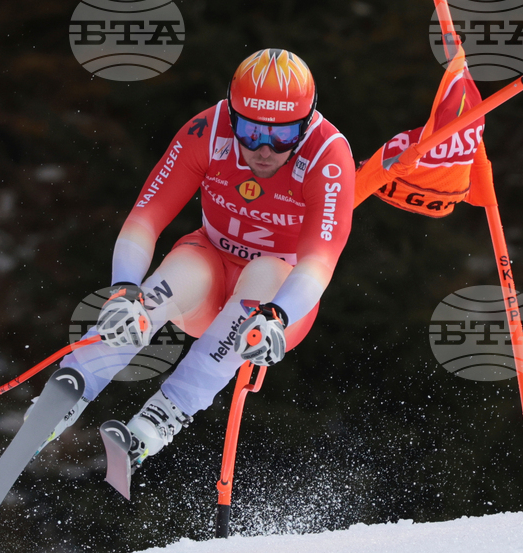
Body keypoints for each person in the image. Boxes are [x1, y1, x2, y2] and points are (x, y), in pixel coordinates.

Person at [32, 48, 355, 471]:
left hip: (275, 306)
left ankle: (163, 417)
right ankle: (68, 390)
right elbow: (144, 219)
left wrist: (278, 314)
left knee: (263, 274)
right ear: (231, 114)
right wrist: (124, 290)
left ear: (308, 121)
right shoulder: (209, 130)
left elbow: (319, 261)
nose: (263, 150)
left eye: (282, 135)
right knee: (173, 278)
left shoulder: (327, 156)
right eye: (251, 130)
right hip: (207, 271)